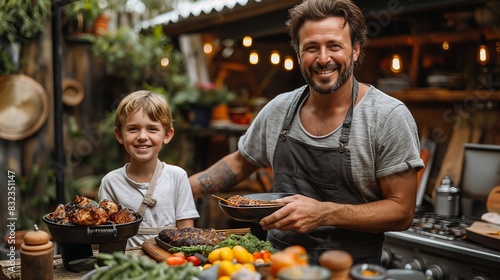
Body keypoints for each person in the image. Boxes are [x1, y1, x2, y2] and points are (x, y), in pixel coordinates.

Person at [190, 0, 425, 265]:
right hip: (276, 264)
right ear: (299, 54)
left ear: (356, 50)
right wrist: (177, 190)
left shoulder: (387, 117)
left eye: (334, 46)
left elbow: (402, 211)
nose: (323, 59)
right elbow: (240, 162)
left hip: (349, 269)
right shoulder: (279, 109)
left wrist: (324, 213)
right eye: (312, 48)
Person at [99, 90, 199, 248]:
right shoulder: (111, 182)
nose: (142, 136)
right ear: (119, 135)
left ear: (167, 135)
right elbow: (106, 235)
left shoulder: (177, 177)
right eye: (133, 129)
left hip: (168, 263)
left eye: (152, 129)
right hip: (127, 266)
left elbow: (187, 232)